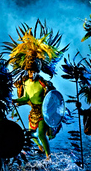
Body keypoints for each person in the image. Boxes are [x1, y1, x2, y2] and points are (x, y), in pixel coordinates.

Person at [4, 20, 68, 160]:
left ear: (38, 70)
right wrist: (14, 100)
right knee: (31, 135)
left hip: (43, 113)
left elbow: (52, 98)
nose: (31, 74)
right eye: (29, 71)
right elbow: (26, 98)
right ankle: (41, 148)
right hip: (32, 112)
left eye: (33, 71)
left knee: (40, 134)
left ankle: (48, 156)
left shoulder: (43, 83)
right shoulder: (25, 82)